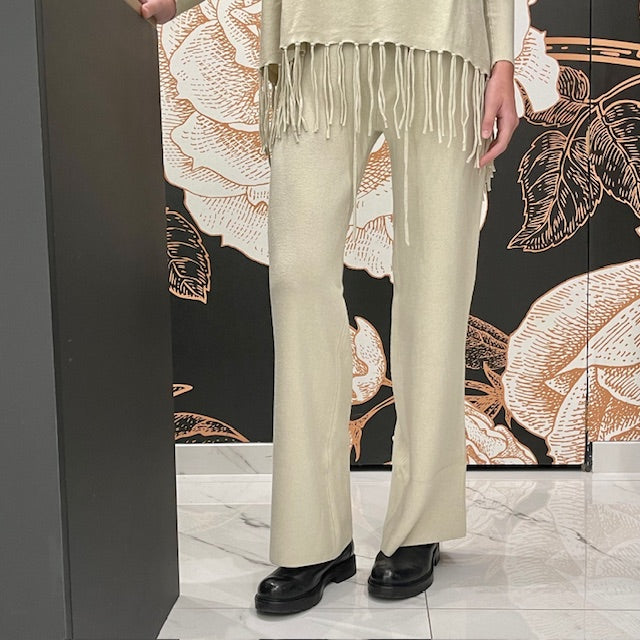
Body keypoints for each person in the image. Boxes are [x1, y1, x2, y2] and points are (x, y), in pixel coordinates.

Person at [141, 0, 519, 616]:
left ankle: (420, 523)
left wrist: (503, 60)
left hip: (442, 45)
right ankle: (312, 537)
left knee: (437, 281)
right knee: (298, 276)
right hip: (316, 42)